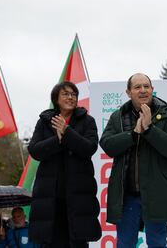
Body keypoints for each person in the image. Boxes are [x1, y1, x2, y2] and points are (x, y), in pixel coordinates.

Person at [100, 73, 167, 248]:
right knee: (125, 244)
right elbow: (107, 145)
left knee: (157, 244)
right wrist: (133, 134)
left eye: (146, 86)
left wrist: (149, 129)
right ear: (128, 92)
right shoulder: (118, 117)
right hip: (127, 196)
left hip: (156, 195)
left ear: (152, 90)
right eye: (137, 87)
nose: (143, 90)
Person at [27, 81, 101, 247]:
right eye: (66, 94)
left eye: (74, 94)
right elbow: (35, 150)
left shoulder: (87, 121)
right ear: (56, 99)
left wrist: (66, 133)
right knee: (51, 241)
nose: (70, 97)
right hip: (50, 197)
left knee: (77, 242)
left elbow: (89, 148)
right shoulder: (45, 121)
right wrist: (57, 139)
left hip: (79, 197)